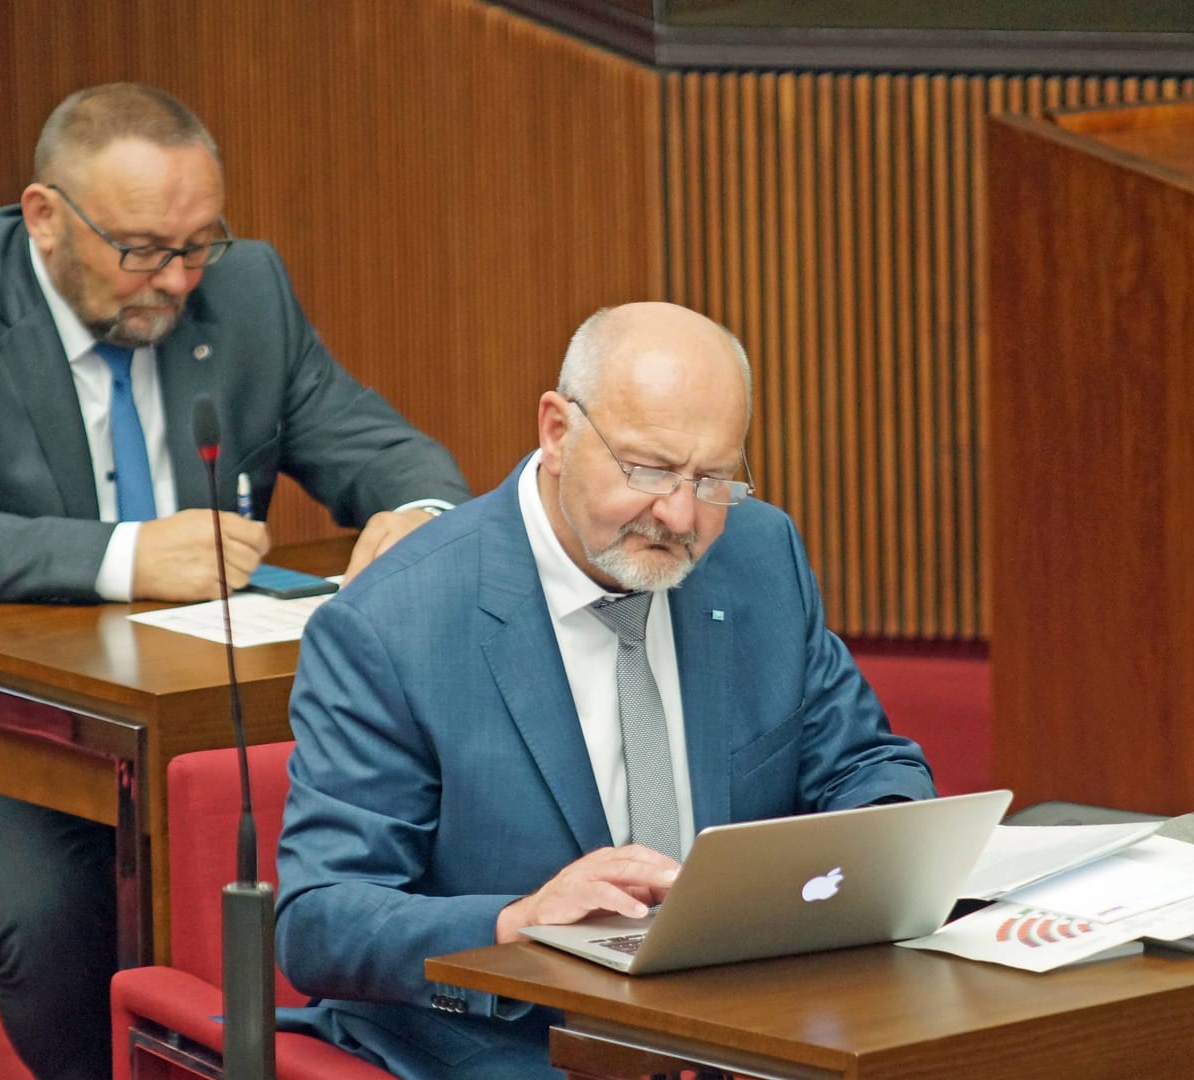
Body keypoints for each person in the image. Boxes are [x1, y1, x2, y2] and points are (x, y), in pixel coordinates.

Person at [0, 83, 468, 1079]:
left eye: (199, 245)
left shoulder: (247, 291)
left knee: (363, 853)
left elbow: (379, 449)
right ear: (46, 218)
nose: (177, 278)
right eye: (143, 249)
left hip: (191, 709)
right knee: (53, 912)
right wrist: (126, 555)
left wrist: (418, 518)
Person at [274, 301, 935, 1078]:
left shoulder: (758, 555)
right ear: (557, 432)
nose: (680, 515)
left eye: (715, 478)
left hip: (748, 1028)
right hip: (522, 1045)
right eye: (649, 469)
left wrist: (885, 857)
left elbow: (864, 765)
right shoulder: (393, 625)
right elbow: (319, 919)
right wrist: (517, 921)